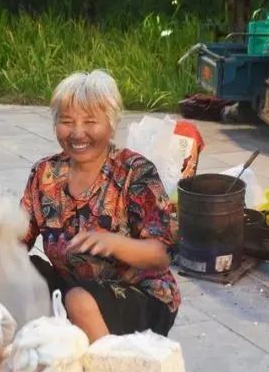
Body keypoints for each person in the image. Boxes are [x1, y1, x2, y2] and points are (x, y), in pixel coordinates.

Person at [20, 70, 179, 341]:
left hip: (138, 292)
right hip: (71, 286)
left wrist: (114, 243)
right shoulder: (46, 173)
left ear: (112, 124)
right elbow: (20, 235)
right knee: (17, 275)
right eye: (67, 121)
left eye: (90, 121)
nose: (77, 133)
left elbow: (161, 253)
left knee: (79, 301)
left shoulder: (135, 172)